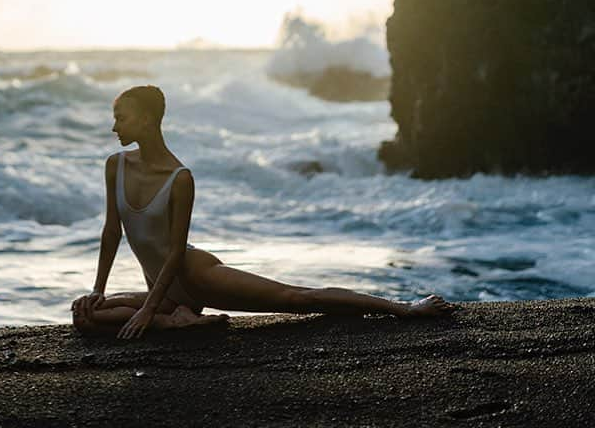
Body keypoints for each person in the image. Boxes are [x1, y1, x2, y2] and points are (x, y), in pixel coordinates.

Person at [71, 85, 456, 340]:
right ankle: (177, 321)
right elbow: (111, 233)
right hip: (161, 289)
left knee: (294, 299)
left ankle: (403, 309)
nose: (113, 126)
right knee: (84, 314)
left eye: (121, 117)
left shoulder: (179, 178)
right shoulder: (115, 165)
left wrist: (148, 311)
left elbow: (175, 251)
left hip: (193, 275)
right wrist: (98, 290)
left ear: (147, 120)